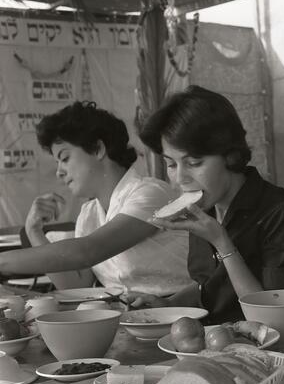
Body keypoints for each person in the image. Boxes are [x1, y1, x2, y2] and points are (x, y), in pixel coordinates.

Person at [125, 85, 284, 324]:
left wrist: (222, 242)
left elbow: (274, 318)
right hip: (215, 340)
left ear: (230, 155)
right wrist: (169, 303)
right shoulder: (206, 207)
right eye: (171, 164)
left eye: (194, 162)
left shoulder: (278, 213)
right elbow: (210, 287)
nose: (180, 178)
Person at [0, 101, 193, 296]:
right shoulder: (89, 213)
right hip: (127, 317)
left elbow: (88, 251)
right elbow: (75, 286)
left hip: (181, 311)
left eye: (65, 158)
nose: (59, 172)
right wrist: (34, 233)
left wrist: (2, 262)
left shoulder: (149, 193)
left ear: (98, 149)